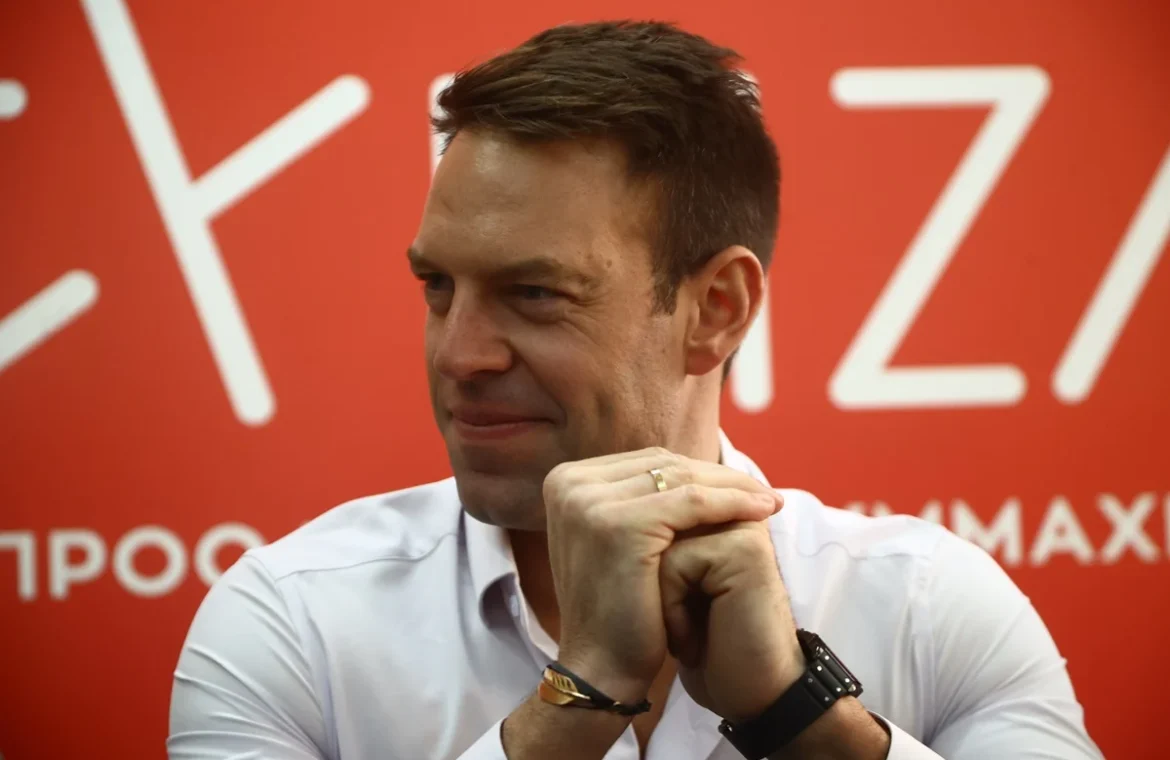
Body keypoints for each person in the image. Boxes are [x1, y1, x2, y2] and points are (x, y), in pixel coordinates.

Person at [168, 20, 1102, 760]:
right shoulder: (294, 621)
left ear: (716, 311)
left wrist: (800, 717)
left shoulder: (927, 606)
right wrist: (577, 702)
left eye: (535, 294)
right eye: (438, 287)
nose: (460, 354)